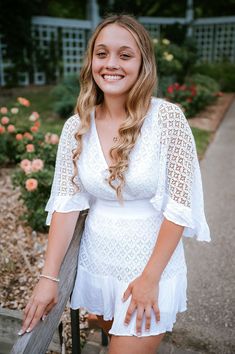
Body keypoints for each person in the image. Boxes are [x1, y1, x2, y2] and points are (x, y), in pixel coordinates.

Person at [19, 14, 210, 353]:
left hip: (152, 269)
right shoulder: (76, 126)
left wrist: (149, 279)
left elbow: (180, 206)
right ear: (91, 60)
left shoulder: (168, 120)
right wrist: (48, 279)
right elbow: (67, 204)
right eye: (102, 53)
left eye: (125, 55)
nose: (111, 64)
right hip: (99, 265)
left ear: (142, 64)